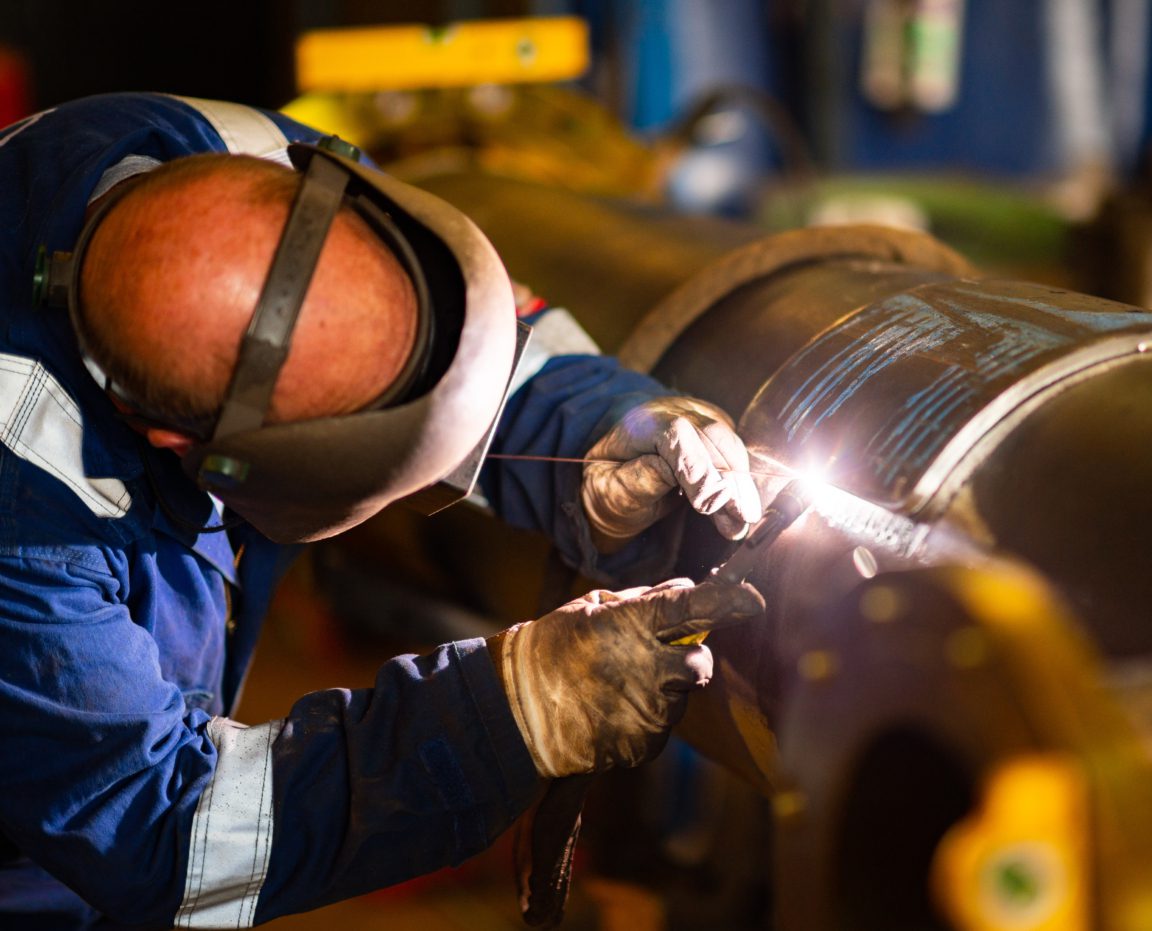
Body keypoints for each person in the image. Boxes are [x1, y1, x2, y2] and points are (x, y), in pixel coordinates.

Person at [0, 92, 764, 928]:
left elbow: (438, 327)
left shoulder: (242, 154)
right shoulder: (26, 526)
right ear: (178, 444)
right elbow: (163, 831)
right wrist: (518, 709)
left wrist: (597, 429)